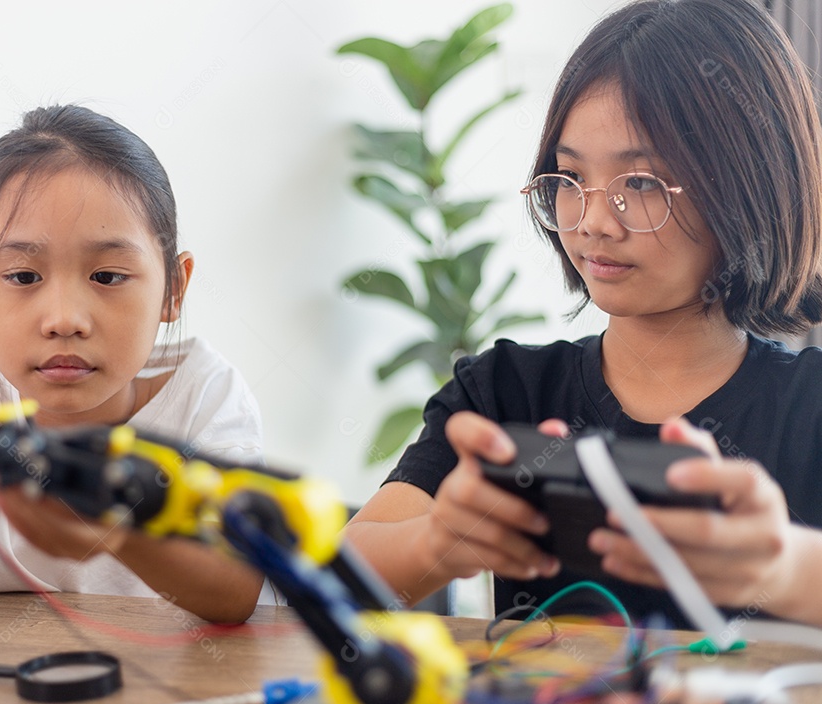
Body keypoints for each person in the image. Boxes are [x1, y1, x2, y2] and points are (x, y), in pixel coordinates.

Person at [346, 0, 822, 630]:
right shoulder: (505, 393)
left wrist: (783, 569)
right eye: (569, 177)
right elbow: (341, 569)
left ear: (746, 186)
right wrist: (437, 541)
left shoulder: (809, 410)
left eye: (643, 182)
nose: (594, 220)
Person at [0, 105, 272, 658]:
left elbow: (233, 592)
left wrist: (106, 523)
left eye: (107, 276)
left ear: (173, 290)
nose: (64, 318)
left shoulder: (204, 396)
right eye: (23, 276)